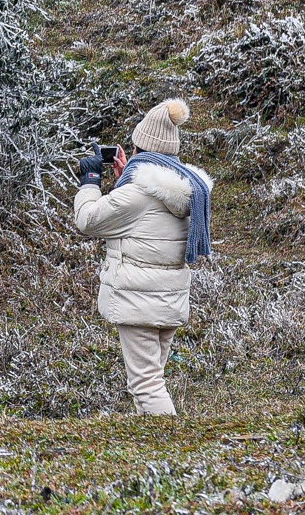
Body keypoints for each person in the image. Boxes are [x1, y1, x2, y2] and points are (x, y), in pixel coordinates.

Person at [74, 98, 212, 416]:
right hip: (169, 297)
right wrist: (126, 176)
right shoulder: (188, 189)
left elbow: (89, 220)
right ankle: (156, 447)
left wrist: (90, 182)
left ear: (140, 149)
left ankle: (168, 451)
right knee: (153, 380)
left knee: (147, 386)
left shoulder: (137, 193)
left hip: (139, 300)